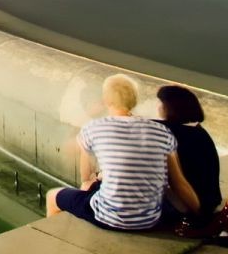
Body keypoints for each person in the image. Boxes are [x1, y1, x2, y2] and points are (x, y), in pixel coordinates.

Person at [50, 74, 200, 231]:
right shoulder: (162, 131)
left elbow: (85, 175)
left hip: (110, 218)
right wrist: (201, 216)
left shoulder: (93, 128)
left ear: (106, 100)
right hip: (152, 219)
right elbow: (179, 183)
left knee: (57, 195)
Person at [155, 84, 221, 226]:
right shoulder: (199, 132)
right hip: (209, 200)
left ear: (169, 108)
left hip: (190, 204)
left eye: (161, 103)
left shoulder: (168, 132)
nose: (158, 107)